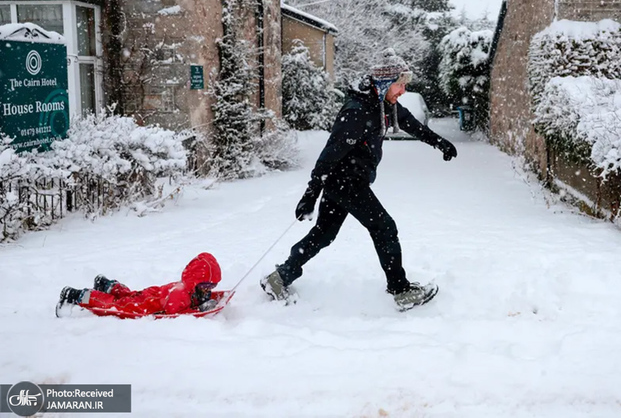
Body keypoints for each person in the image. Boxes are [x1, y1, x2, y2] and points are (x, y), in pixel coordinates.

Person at [260, 50, 458, 311]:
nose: (403, 90)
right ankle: (400, 290)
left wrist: (439, 142)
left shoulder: (383, 105)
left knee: (324, 234)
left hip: (348, 180)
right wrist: (311, 194)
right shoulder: (358, 112)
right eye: (400, 84)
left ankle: (281, 277)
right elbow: (328, 157)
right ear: (385, 83)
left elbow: (411, 123)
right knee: (385, 227)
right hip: (346, 181)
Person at [56, 252, 222, 318]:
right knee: (115, 306)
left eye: (212, 287)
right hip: (145, 306)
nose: (209, 291)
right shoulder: (181, 294)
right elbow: (174, 313)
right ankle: (76, 295)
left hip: (153, 295)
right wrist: (199, 310)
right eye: (207, 287)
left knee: (130, 295)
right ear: (196, 283)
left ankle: (107, 285)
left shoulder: (188, 287)